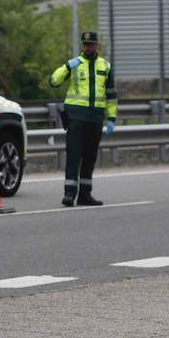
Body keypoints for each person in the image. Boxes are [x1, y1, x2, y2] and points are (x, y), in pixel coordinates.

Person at [48, 30, 118, 207]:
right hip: (76, 117)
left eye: (91, 44)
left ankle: (85, 195)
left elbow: (111, 95)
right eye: (85, 44)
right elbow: (53, 81)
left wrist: (112, 117)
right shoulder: (75, 64)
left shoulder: (106, 66)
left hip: (95, 118)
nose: (87, 47)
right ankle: (69, 194)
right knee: (74, 155)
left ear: (97, 46)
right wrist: (66, 66)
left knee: (90, 156)